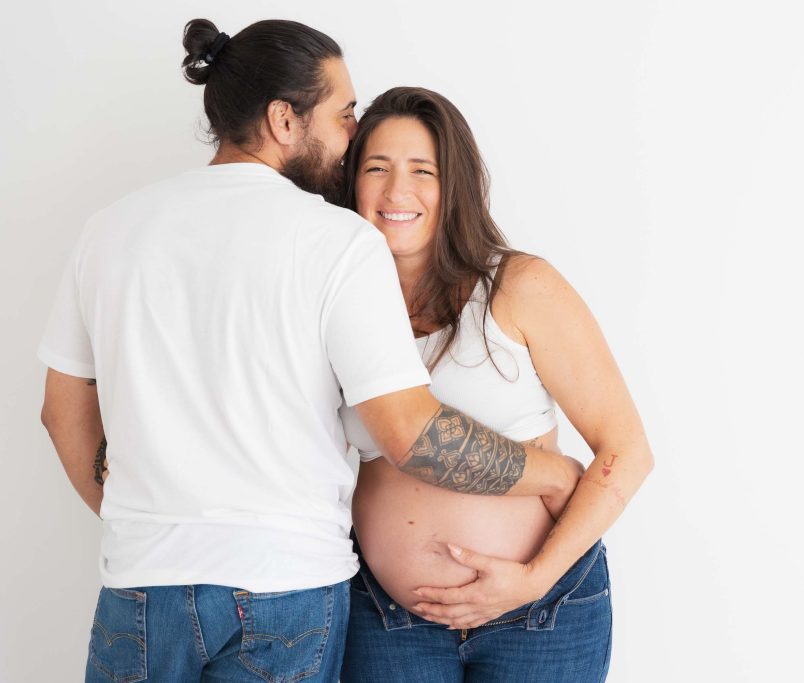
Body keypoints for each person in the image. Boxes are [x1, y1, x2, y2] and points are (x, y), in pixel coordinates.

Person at [37, 21, 581, 682]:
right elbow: (411, 432)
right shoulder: (339, 242)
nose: (354, 135)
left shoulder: (109, 231)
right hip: (283, 593)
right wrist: (549, 472)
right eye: (345, 114)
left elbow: (62, 410)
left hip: (139, 584)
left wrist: (141, 522)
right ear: (283, 120)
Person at [337, 87, 654, 682]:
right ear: (352, 181)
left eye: (422, 171)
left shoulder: (519, 286)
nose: (396, 191)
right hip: (387, 620)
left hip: (542, 615)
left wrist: (533, 580)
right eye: (376, 168)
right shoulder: (336, 305)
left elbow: (628, 452)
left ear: (452, 185)